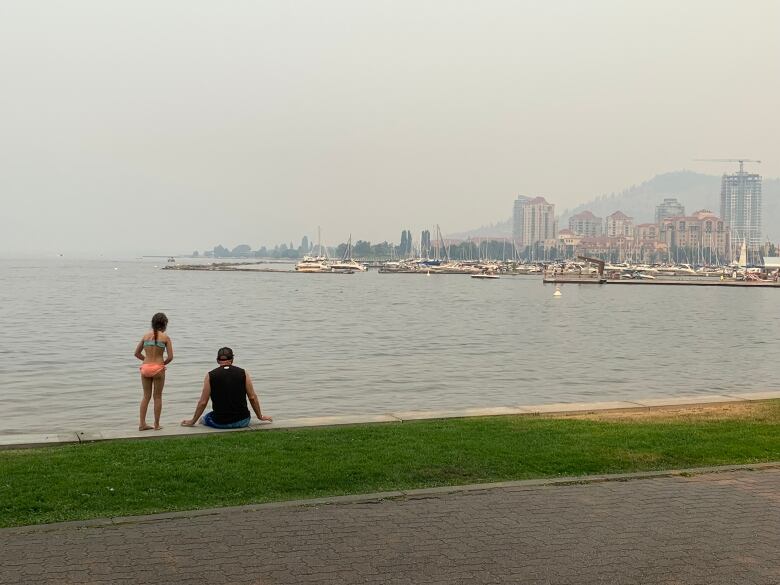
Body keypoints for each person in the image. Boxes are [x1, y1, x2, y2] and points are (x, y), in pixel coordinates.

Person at [181, 347, 272, 429]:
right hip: (243, 421)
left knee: (204, 418)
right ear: (232, 359)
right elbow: (252, 397)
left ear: (217, 360)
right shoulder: (243, 373)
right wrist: (260, 416)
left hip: (220, 423)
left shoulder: (210, 375)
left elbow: (203, 402)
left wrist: (192, 421)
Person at [134, 312, 173, 431]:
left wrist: (145, 360)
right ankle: (156, 425)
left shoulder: (145, 336)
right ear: (165, 324)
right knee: (157, 397)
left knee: (146, 396)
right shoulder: (165, 338)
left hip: (145, 368)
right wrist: (162, 364)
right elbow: (170, 357)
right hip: (158, 368)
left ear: (152, 323)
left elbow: (136, 353)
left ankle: (142, 424)